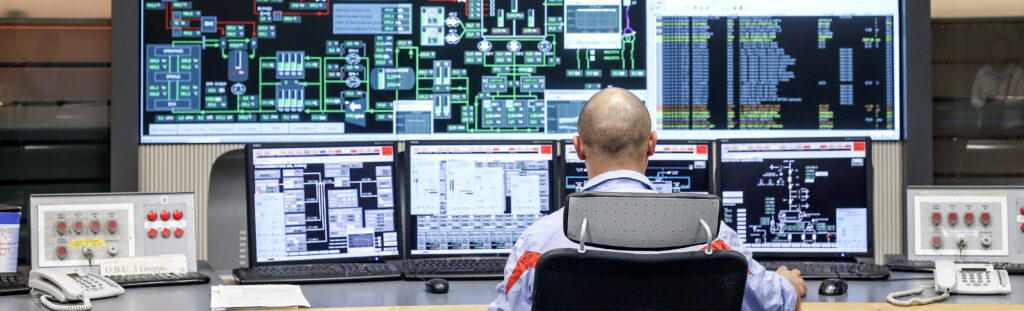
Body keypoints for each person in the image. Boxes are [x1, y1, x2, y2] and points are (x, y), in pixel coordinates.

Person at [488, 88, 807, 311]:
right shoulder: (709, 235)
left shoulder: (538, 244)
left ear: (578, 147)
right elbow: (777, 303)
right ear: (652, 144)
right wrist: (788, 282)